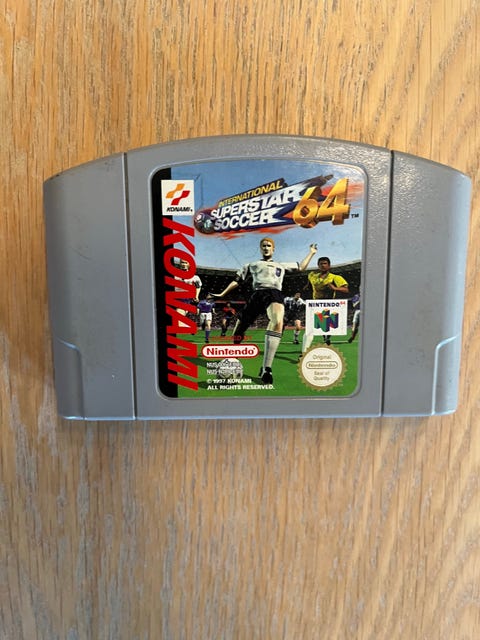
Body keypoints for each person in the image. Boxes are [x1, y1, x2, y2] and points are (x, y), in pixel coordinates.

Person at [212, 237, 317, 384]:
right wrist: (222, 294)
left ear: (273, 249)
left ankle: (266, 368)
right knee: (239, 329)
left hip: (274, 293)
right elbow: (237, 280)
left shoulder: (281, 265)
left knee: (278, 321)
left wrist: (311, 253)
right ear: (260, 249)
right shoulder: (251, 265)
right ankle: (233, 356)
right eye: (263, 246)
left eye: (269, 245)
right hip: (257, 294)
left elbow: (301, 267)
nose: (266, 248)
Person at [302, 256, 349, 352]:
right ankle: (304, 352)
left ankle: (326, 337)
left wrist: (335, 288)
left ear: (329, 266)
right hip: (315, 305)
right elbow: (309, 283)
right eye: (321, 264)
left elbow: (346, 289)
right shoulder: (312, 275)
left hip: (329, 305)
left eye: (325, 263)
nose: (323, 265)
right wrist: (306, 287)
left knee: (327, 327)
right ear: (318, 265)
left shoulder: (335, 277)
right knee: (310, 329)